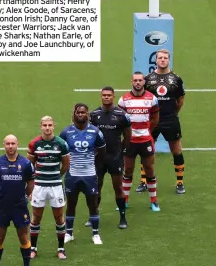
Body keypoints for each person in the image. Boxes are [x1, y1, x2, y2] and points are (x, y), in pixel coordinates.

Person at [137, 49, 187, 194]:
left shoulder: (176, 79)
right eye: (160, 58)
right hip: (152, 120)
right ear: (156, 60)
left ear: (169, 60)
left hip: (170, 119)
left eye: (165, 58)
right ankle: (144, 181)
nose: (163, 60)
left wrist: (173, 113)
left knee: (176, 150)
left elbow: (180, 100)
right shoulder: (148, 79)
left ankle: (180, 183)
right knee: (146, 151)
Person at [0, 135, 35, 266]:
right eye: (8, 143)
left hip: (20, 207)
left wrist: (24, 196)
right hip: (2, 207)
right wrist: (0, 196)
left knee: (23, 237)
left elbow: (31, 184)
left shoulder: (26, 163)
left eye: (13, 143)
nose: (10, 146)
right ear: (4, 145)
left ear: (17, 145)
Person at [59, 103, 106, 245]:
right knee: (71, 204)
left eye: (83, 112)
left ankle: (96, 234)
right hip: (72, 174)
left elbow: (101, 151)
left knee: (92, 204)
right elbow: (61, 152)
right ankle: (69, 233)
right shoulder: (66, 132)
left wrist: (89, 161)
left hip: (89, 174)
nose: (80, 114)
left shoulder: (95, 131)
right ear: (74, 114)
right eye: (78, 112)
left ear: (87, 114)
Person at [88, 87, 132, 229]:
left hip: (115, 157)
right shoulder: (94, 115)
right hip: (98, 158)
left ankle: (123, 217)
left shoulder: (122, 115)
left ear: (113, 97)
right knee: (96, 187)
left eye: (109, 95)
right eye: (104, 95)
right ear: (101, 96)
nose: (106, 97)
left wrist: (122, 151)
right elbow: (90, 136)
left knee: (118, 188)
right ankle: (93, 215)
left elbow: (128, 135)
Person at [27, 116, 70, 261]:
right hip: (39, 186)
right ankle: (33, 248)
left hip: (56, 186)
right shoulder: (34, 144)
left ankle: (61, 248)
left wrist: (57, 176)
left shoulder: (61, 143)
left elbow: (65, 165)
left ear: (54, 126)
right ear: (40, 126)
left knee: (59, 217)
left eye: (50, 125)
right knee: (36, 217)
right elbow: (29, 166)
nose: (47, 127)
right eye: (44, 125)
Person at [118, 72, 161, 212]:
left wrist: (147, 131)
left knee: (149, 169)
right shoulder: (123, 100)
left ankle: (154, 201)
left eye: (140, 80)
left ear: (144, 82)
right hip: (130, 142)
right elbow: (120, 121)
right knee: (128, 170)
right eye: (135, 80)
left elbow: (155, 118)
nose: (138, 83)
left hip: (146, 140)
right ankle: (124, 201)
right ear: (131, 81)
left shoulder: (152, 98)